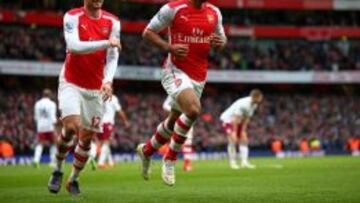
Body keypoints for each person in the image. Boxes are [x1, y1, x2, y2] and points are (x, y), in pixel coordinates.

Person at [136, 0, 226, 186]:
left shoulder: (214, 12)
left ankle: (146, 151)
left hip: (199, 76)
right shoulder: (173, 8)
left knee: (172, 121)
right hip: (175, 70)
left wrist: (220, 43)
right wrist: (169, 47)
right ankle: (170, 159)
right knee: (193, 110)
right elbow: (147, 33)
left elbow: (221, 41)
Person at [48, 0, 121, 195]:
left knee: (87, 139)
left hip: (95, 87)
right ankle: (58, 169)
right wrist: (106, 43)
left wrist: (108, 81)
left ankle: (73, 179)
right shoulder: (72, 16)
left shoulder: (113, 22)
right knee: (71, 127)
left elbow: (113, 56)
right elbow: (73, 46)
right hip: (71, 81)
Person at [220, 89, 263, 169]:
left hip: (238, 120)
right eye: (260, 97)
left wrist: (243, 131)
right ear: (255, 97)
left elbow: (247, 118)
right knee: (233, 139)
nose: (261, 99)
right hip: (228, 119)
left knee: (244, 139)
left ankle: (244, 162)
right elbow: (235, 118)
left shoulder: (254, 105)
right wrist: (234, 132)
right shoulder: (244, 104)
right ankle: (233, 163)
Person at [97, 95, 130, 169]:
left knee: (104, 143)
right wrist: (125, 121)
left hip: (99, 122)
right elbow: (119, 111)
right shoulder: (113, 98)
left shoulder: (99, 97)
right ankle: (100, 163)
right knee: (107, 142)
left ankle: (110, 162)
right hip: (107, 123)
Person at [163, 96, 194, 172]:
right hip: (176, 120)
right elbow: (165, 105)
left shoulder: (191, 92)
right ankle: (169, 161)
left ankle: (187, 165)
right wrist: (176, 111)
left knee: (188, 142)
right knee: (175, 141)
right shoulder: (174, 92)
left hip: (187, 119)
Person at [33, 89, 57, 168]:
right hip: (49, 126)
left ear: (43, 95)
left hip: (40, 126)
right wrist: (55, 126)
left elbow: (36, 117)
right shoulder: (52, 104)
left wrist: (39, 124)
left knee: (40, 144)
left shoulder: (37, 103)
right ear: (49, 95)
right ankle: (52, 162)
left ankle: (36, 160)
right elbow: (52, 117)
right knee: (53, 143)